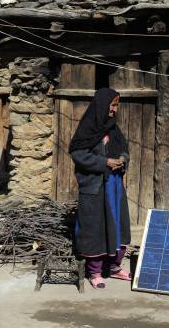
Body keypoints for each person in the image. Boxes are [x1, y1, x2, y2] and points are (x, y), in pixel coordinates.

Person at [69, 88, 131, 289]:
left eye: (116, 105)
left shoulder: (113, 128)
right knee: (95, 226)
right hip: (95, 186)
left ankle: (114, 266)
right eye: (112, 105)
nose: (115, 109)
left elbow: (124, 148)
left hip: (113, 185)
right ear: (102, 105)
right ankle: (95, 271)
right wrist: (104, 162)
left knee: (117, 223)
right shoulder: (87, 129)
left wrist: (122, 158)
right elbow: (78, 154)